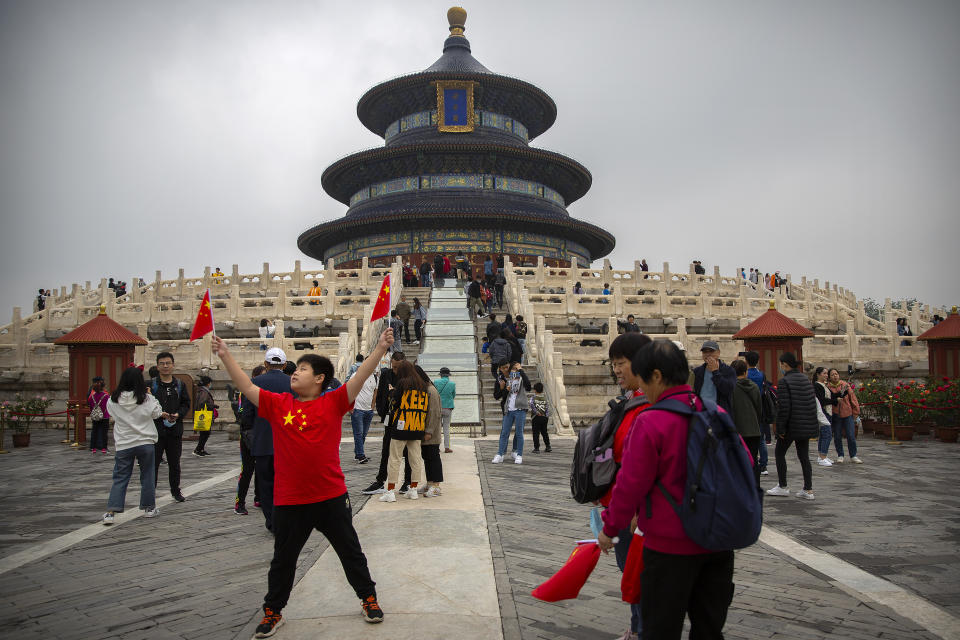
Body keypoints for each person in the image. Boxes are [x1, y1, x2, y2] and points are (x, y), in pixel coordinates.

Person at [211, 328, 392, 635]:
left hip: (330, 496)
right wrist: (226, 355)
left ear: (320, 378)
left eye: (303, 370)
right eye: (296, 369)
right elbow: (246, 386)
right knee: (283, 560)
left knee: (350, 552)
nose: (295, 373)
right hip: (289, 499)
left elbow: (360, 376)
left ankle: (368, 598)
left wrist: (380, 347)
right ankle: (273, 611)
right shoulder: (279, 404)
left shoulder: (333, 402)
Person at [598, 340, 736, 639]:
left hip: (671, 546)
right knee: (710, 630)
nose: (642, 389)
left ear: (657, 377)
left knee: (661, 629)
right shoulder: (715, 413)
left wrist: (609, 529)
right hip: (719, 543)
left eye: (644, 379)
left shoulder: (651, 421)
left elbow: (630, 485)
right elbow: (744, 467)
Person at [599, 332, 652, 640]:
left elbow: (643, 466)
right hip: (619, 503)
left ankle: (643, 630)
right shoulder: (629, 403)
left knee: (640, 573)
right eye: (613, 364)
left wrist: (635, 511)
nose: (616, 370)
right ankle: (637, 627)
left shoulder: (647, 408)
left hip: (636, 513)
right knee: (631, 572)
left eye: (621, 363)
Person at [241, 348, 293, 528]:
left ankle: (271, 520)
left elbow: (246, 416)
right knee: (285, 483)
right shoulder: (293, 383)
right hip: (288, 445)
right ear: (285, 365)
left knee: (265, 484)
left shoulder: (254, 383)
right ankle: (286, 519)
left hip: (263, 443)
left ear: (265, 364)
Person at [102, 367, 161, 525]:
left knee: (120, 477)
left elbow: (112, 415)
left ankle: (111, 512)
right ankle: (149, 508)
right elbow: (157, 413)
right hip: (145, 441)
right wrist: (151, 395)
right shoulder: (146, 398)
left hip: (124, 442)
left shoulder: (113, 399)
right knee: (147, 475)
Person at [767, 352, 818, 500]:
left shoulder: (785, 381)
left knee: (779, 453)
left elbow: (784, 407)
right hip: (805, 424)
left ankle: (783, 486)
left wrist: (780, 428)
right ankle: (808, 489)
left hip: (791, 425)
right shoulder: (804, 378)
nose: (780, 367)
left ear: (784, 364)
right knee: (804, 457)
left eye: (780, 364)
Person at [362, 351, 412, 495]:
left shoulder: (410, 377)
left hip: (405, 419)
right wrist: (382, 412)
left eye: (398, 367)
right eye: (394, 366)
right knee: (386, 451)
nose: (395, 370)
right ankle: (380, 481)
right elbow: (380, 395)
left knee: (407, 452)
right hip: (389, 419)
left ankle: (407, 482)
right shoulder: (386, 374)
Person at [379, 360, 428, 503]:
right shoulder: (423, 386)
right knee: (415, 459)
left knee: (395, 458)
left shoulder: (402, 383)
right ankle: (413, 489)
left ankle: (390, 491)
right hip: (417, 425)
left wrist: (391, 392)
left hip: (401, 426)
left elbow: (395, 402)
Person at [152, 352, 190, 502]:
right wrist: (161, 414)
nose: (165, 366)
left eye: (168, 363)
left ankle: (176, 490)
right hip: (155, 430)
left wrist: (178, 414)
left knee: (174, 463)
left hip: (174, 430)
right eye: (162, 363)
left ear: (173, 365)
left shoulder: (179, 385)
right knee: (153, 464)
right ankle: (150, 492)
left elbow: (186, 403)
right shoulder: (151, 385)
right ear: (157, 366)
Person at [234, 365, 265, 516]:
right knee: (247, 470)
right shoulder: (246, 391)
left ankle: (258, 497)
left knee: (261, 468)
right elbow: (242, 413)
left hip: (261, 434)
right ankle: (240, 502)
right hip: (248, 434)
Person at [731, 359, 763, 488]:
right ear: (746, 372)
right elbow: (759, 408)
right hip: (754, 429)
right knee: (753, 460)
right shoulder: (754, 386)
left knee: (737, 461)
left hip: (738, 430)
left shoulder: (731, 387)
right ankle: (755, 486)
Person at [492, 361, 530, 464]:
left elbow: (529, 386)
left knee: (519, 433)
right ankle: (500, 454)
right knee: (504, 433)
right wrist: (504, 389)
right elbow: (497, 395)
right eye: (513, 369)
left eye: (516, 369)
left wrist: (521, 371)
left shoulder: (521, 379)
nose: (515, 371)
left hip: (520, 409)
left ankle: (518, 454)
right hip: (508, 409)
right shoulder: (505, 380)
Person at [416, 365, 443, 497]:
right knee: (427, 457)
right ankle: (430, 482)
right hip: (426, 432)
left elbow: (434, 413)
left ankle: (436, 485)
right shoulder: (426, 390)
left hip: (431, 433)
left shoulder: (431, 391)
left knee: (433, 457)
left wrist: (429, 431)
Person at [744, 351, 771, 476]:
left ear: (746, 361)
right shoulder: (761, 374)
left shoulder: (745, 375)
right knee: (761, 439)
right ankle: (764, 464)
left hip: (747, 407)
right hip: (759, 407)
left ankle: (749, 461)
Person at [827, 369, 862, 464]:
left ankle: (853, 455)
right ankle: (840, 455)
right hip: (836, 415)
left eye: (836, 374)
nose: (835, 376)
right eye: (832, 374)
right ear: (829, 377)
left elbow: (853, 399)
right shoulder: (828, 387)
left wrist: (855, 412)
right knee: (837, 436)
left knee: (851, 435)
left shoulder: (845, 385)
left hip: (847, 414)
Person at [692, 340, 736, 414]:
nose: (708, 354)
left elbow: (728, 390)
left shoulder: (728, 370)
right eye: (705, 352)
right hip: (701, 413)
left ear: (718, 353)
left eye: (711, 351)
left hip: (719, 413)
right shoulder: (697, 371)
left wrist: (715, 372)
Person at [350, 355, 377, 464]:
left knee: (364, 433)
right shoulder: (356, 375)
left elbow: (375, 391)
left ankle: (358, 453)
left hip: (368, 410)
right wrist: (350, 406)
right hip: (357, 409)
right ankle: (361, 455)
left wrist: (373, 405)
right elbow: (349, 389)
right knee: (358, 433)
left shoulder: (375, 377)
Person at [813, 367, 837, 467]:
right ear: (818, 374)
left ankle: (822, 456)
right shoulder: (817, 385)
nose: (826, 375)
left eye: (827, 374)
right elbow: (821, 400)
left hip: (828, 411)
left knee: (824, 434)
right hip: (822, 412)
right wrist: (833, 401)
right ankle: (822, 456)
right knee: (827, 434)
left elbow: (831, 396)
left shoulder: (825, 385)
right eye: (824, 373)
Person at [192, 375, 217, 457]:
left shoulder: (201, 391)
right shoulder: (204, 392)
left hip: (204, 414)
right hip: (205, 415)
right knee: (205, 433)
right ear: (208, 383)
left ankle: (200, 449)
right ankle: (198, 449)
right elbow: (202, 403)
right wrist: (212, 405)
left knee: (205, 433)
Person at [434, 367, 456, 453]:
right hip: (448, 408)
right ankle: (447, 447)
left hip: (438, 407)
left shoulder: (436, 382)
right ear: (448, 375)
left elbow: (434, 394)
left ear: (441, 375)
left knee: (438, 428)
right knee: (446, 428)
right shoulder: (452, 384)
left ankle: (437, 447)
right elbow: (453, 395)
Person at [87, 376, 110, 453]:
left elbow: (90, 406)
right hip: (105, 416)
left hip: (95, 416)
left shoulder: (91, 397)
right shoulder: (106, 396)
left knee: (94, 431)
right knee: (104, 433)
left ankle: (93, 448)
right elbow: (108, 406)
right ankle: (104, 448)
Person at [528, 382, 551, 453]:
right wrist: (546, 415)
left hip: (536, 417)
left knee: (536, 433)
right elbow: (547, 407)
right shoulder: (545, 398)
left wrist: (537, 412)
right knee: (544, 432)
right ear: (542, 390)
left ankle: (537, 448)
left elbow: (531, 404)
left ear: (535, 390)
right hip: (544, 417)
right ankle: (548, 446)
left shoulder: (533, 398)